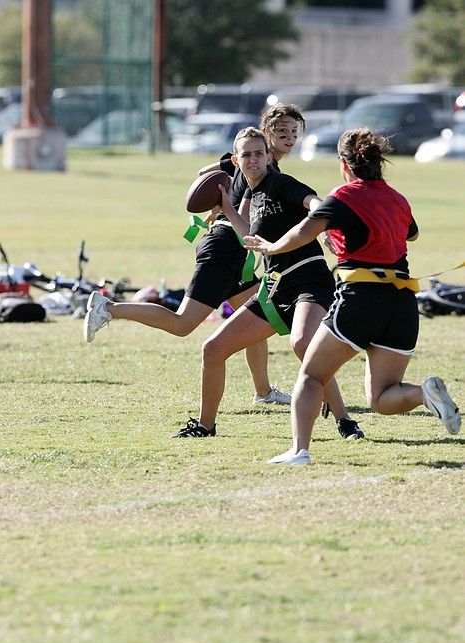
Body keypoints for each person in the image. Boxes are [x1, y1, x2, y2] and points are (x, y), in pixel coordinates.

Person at [244, 127, 461, 464]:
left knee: (313, 375)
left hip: (361, 298)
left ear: (344, 165)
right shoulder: (397, 198)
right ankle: (423, 394)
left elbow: (304, 231)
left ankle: (299, 450)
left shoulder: (344, 195)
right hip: (402, 302)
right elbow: (412, 234)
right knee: (381, 396)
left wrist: (271, 246)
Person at [82, 104, 310, 408]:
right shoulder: (255, 160)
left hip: (233, 252)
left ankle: (264, 391)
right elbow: (216, 188)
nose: (290, 137)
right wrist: (222, 207)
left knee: (256, 316)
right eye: (283, 131)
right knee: (183, 324)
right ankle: (108, 307)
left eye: (295, 132)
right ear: (267, 132)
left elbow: (205, 173)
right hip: (224, 250)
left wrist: (220, 202)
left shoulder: (258, 162)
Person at [172, 127, 363, 440]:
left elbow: (313, 201)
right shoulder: (252, 195)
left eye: (259, 153)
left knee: (303, 343)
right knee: (213, 349)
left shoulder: (280, 183)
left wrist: (323, 221)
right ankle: (205, 427)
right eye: (246, 155)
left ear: (269, 156)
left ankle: (345, 421)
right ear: (236, 160)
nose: (253, 160)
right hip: (276, 288)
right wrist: (229, 211)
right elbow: (250, 235)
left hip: (309, 279)